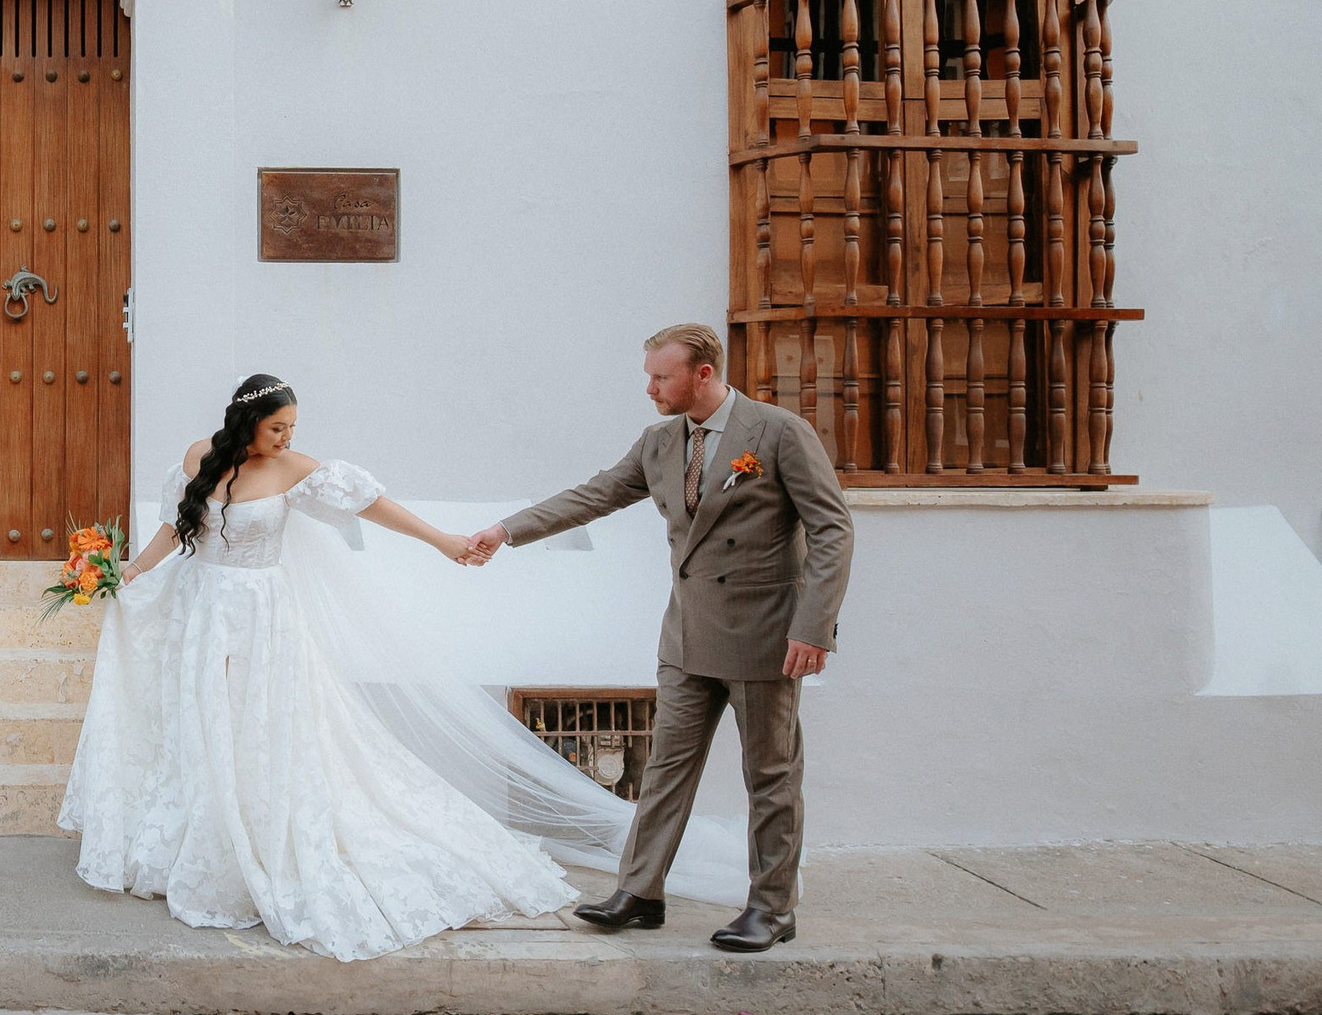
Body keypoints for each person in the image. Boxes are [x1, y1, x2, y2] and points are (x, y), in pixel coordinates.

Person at [61, 373, 729, 962]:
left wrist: (443, 541)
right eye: (276, 427)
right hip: (204, 610)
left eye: (293, 427)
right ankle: (204, 836)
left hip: (266, 617)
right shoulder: (198, 457)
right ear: (246, 422)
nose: (287, 437)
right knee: (204, 720)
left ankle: (260, 835)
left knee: (262, 728)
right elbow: (172, 532)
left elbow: (370, 505)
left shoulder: (295, 468)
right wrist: (129, 571)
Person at [466, 323, 854, 953]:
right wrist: (506, 531)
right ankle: (640, 892)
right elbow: (593, 495)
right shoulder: (659, 442)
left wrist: (814, 628)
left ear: (703, 374)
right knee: (666, 769)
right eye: (649, 375)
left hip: (765, 638)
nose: (649, 388)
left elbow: (832, 530)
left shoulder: (778, 433)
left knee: (771, 777)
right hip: (686, 636)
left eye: (660, 376)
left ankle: (772, 908)